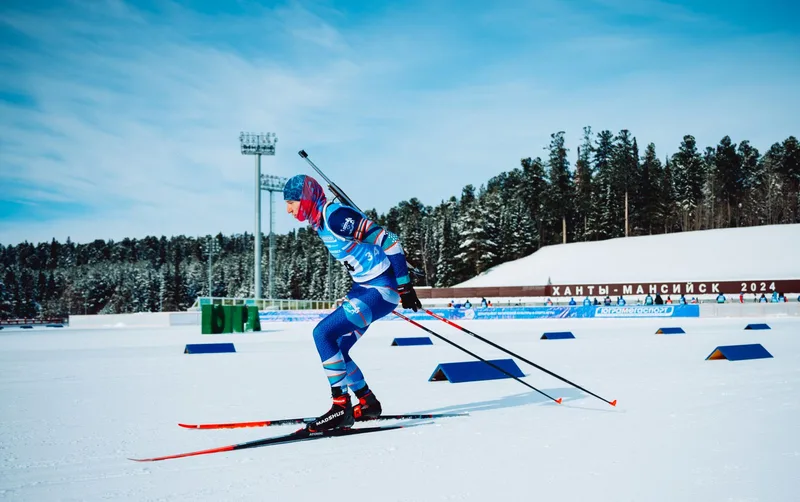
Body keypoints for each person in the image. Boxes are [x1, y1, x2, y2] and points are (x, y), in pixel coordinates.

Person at [283, 174, 421, 432]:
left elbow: (389, 240)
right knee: (338, 348)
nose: (288, 210)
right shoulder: (320, 222)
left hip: (381, 291)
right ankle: (368, 402)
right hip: (364, 290)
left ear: (306, 198)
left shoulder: (334, 217)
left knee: (322, 333)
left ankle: (340, 407)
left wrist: (404, 285)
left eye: (291, 202)